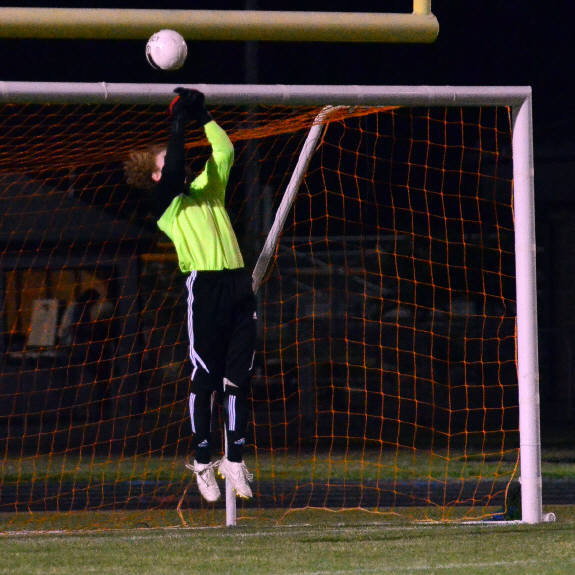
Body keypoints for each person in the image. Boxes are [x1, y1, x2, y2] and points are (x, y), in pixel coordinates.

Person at [123, 88, 256, 502]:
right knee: (206, 379)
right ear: (156, 177)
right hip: (206, 289)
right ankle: (202, 460)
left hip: (238, 284)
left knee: (238, 379)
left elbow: (225, 151)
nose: (177, 162)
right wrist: (178, 122)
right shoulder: (166, 206)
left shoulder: (207, 189)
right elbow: (177, 167)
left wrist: (205, 115)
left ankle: (234, 460)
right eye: (166, 162)